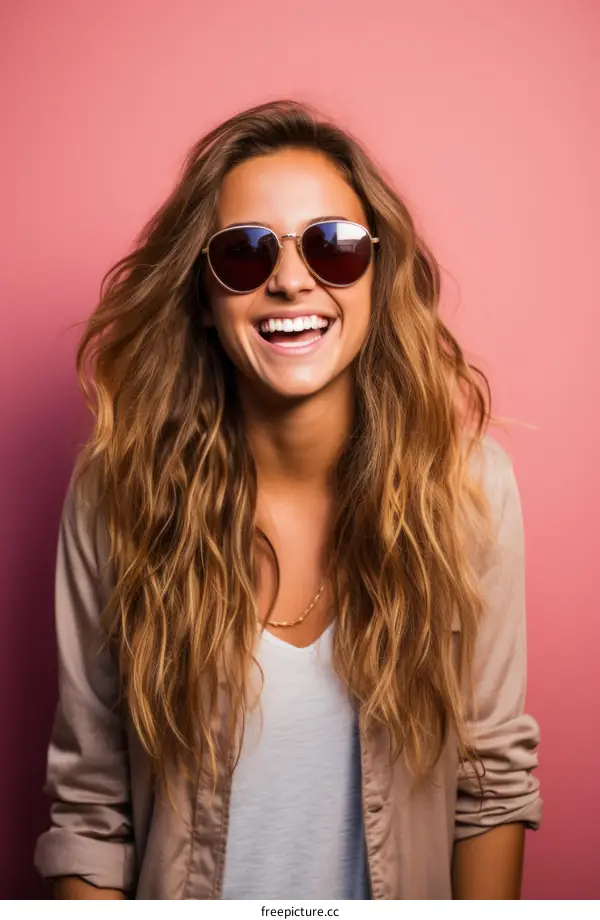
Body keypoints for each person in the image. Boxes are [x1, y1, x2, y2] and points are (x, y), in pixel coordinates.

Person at [34, 99, 541, 900]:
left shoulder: (469, 492)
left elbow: (492, 791)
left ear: (377, 274)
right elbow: (93, 814)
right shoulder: (116, 494)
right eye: (244, 254)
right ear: (202, 294)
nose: (291, 279)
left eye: (334, 248)